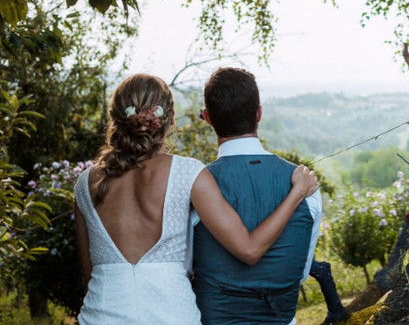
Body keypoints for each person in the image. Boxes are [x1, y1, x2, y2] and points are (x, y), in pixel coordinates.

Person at [73, 74, 318, 325]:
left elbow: (89, 276)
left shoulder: (85, 183)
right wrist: (297, 192)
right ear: (170, 119)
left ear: (116, 117)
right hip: (172, 317)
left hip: (99, 316)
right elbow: (249, 249)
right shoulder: (186, 173)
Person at [192, 67, 322, 325]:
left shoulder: (195, 186)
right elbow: (302, 270)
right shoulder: (306, 187)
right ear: (259, 113)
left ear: (207, 117)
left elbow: (186, 268)